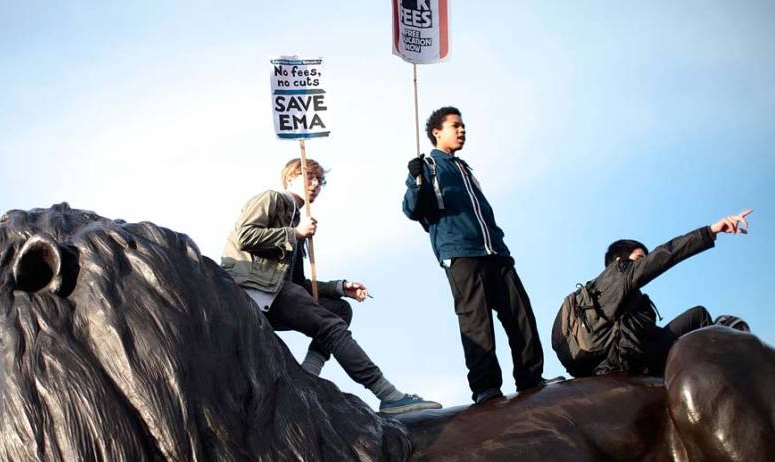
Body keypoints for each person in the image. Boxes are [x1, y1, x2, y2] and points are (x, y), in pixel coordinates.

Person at [222, 158, 442, 414]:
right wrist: (294, 234)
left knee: (339, 309)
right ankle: (389, 395)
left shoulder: (297, 220)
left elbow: (298, 285)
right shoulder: (271, 199)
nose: (315, 184)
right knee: (330, 326)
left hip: (276, 293)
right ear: (289, 178)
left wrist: (339, 287)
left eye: (319, 180)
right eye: (308, 177)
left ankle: (308, 375)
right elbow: (245, 236)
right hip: (251, 292)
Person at [402, 106, 549, 404]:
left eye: (463, 126)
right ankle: (486, 388)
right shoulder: (429, 166)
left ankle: (530, 377)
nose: (462, 130)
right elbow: (412, 209)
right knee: (476, 322)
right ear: (436, 132)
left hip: (495, 251)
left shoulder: (465, 168)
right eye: (455, 126)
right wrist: (415, 180)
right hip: (460, 252)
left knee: (521, 316)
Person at [552, 209, 753, 377]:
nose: (644, 262)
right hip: (627, 360)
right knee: (698, 316)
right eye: (640, 257)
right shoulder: (622, 271)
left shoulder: (597, 295)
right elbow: (666, 254)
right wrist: (711, 231)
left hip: (594, 366)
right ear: (619, 260)